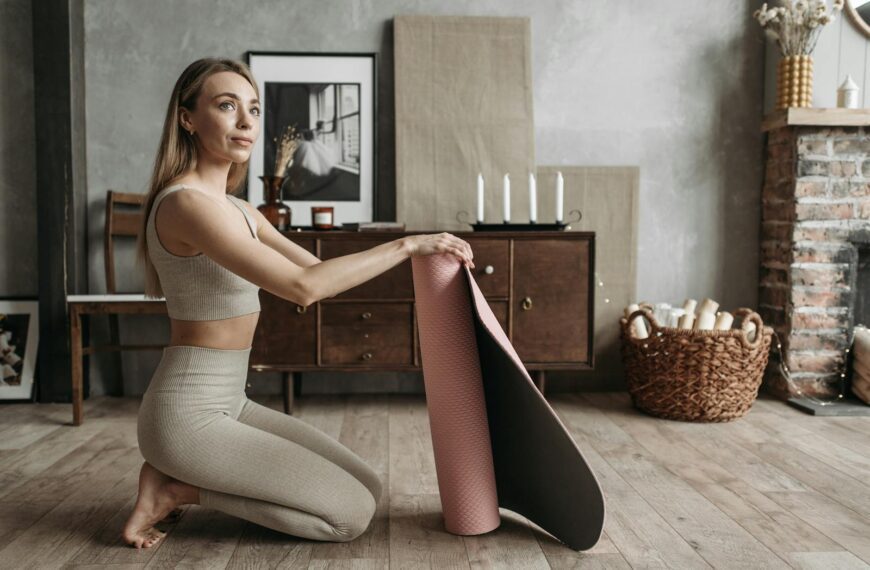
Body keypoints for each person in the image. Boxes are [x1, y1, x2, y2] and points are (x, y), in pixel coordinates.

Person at [122, 58, 475, 549]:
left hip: (231, 404)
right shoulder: (186, 205)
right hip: (186, 416)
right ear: (187, 118)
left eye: (253, 108)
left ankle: (177, 483)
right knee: (348, 517)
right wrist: (405, 245)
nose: (246, 122)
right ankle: (178, 488)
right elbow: (302, 288)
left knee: (369, 488)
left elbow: (317, 272)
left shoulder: (240, 208)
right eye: (227, 106)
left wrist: (422, 266)